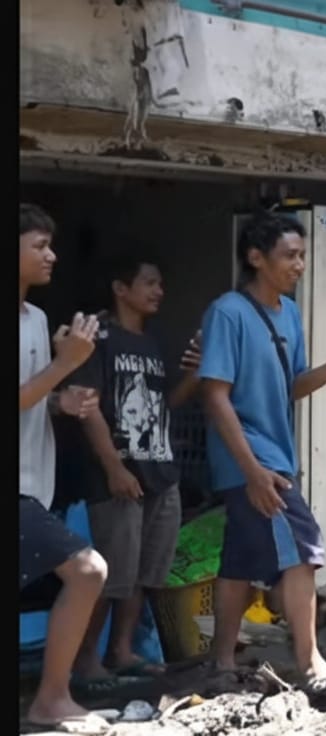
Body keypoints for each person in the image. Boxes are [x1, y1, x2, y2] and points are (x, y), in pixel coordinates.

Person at [199, 211, 326, 693]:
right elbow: (215, 394)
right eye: (290, 256)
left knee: (239, 561)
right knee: (302, 550)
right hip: (254, 460)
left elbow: (293, 385)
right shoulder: (228, 312)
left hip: (271, 457)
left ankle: (221, 664)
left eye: (302, 255)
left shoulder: (290, 314)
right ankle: (311, 664)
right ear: (256, 258)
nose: (300, 265)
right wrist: (253, 470)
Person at [71, 256, 203, 683]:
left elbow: (165, 405)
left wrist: (195, 375)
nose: (158, 291)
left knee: (145, 575)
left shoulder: (153, 342)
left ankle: (121, 652)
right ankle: (85, 661)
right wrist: (114, 467)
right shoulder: (98, 338)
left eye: (160, 284)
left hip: (160, 474)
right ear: (120, 288)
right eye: (149, 283)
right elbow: (88, 407)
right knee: (111, 574)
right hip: (119, 477)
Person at [18, 203, 111, 731]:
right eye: (39, 246)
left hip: (34, 485)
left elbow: (30, 397)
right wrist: (65, 364)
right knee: (87, 571)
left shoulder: (35, 319)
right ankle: (51, 699)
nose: (51, 255)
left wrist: (61, 400)